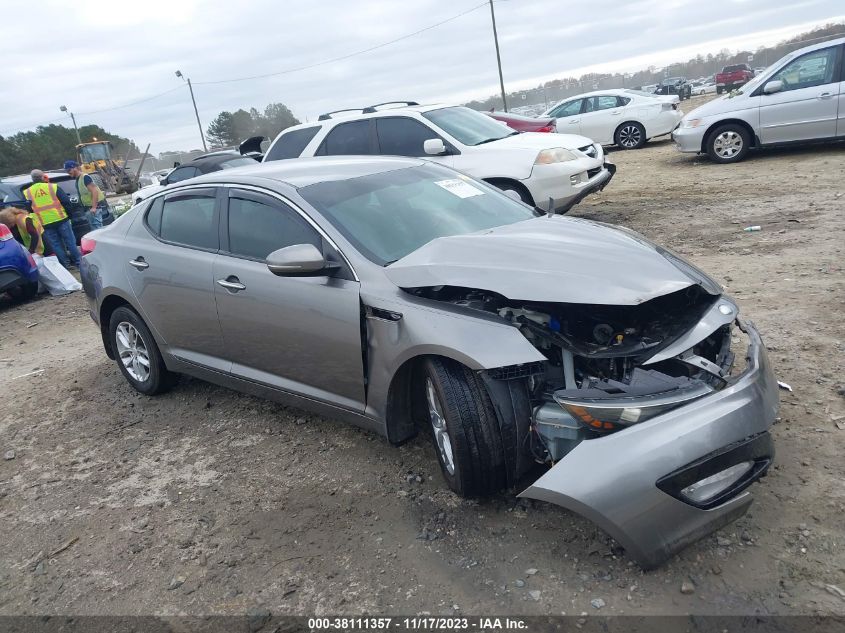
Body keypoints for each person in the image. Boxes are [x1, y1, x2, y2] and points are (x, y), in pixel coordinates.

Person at [23, 169, 80, 268]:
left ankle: (65, 265)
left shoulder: (27, 192)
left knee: (56, 244)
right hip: (61, 219)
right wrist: (69, 215)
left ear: (32, 179)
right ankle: (79, 262)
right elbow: (66, 202)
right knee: (70, 242)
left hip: (45, 222)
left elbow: (29, 209)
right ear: (42, 177)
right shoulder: (52, 187)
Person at [64, 160, 109, 229]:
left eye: (69, 170)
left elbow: (94, 191)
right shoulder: (78, 179)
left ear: (75, 168)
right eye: (66, 171)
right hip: (89, 209)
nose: (68, 172)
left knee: (97, 229)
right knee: (95, 229)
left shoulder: (85, 177)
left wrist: (94, 207)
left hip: (94, 209)